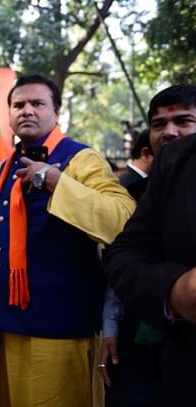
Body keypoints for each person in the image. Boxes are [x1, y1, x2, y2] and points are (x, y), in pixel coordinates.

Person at [0, 74, 135, 407]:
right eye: (19, 105)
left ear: (57, 113)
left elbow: (122, 218)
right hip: (12, 325)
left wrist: (56, 181)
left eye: (37, 104)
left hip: (61, 326)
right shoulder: (6, 165)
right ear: (9, 114)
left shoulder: (81, 158)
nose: (27, 111)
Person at [102, 84, 196, 406]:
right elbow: (122, 254)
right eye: (159, 125)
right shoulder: (134, 191)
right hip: (148, 347)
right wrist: (176, 290)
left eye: (183, 121)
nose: (170, 133)